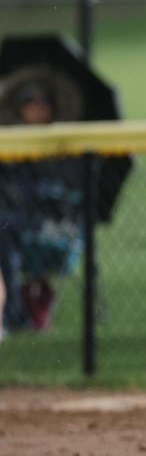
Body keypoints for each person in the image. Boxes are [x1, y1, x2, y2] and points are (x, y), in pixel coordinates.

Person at [0, 78, 85, 334]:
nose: (35, 109)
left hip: (52, 222)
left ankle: (15, 313)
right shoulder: (10, 144)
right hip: (14, 218)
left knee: (5, 232)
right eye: (29, 103)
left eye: (41, 103)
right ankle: (15, 310)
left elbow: (69, 190)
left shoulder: (62, 145)